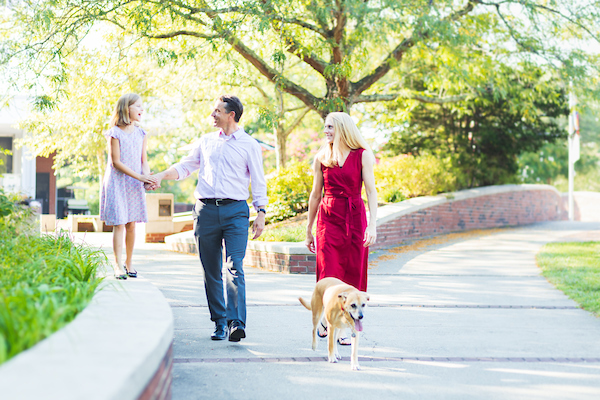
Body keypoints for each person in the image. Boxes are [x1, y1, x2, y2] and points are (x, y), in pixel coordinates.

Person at [147, 95, 267, 342]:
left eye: (217, 111)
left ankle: (236, 323)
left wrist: (261, 212)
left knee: (234, 266)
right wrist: (160, 175)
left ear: (231, 114)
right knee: (211, 270)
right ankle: (220, 322)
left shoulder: (249, 144)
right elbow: (185, 167)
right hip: (206, 211)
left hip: (236, 211)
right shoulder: (206, 141)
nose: (212, 115)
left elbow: (258, 179)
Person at [305, 111, 378, 345]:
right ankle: (329, 318)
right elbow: (315, 195)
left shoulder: (363, 155)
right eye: (325, 127)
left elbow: (371, 192)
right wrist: (308, 228)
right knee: (329, 272)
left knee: (354, 273)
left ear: (343, 129)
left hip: (356, 218)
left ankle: (346, 326)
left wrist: (373, 225)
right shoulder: (322, 157)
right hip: (328, 219)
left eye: (330, 127)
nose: (326, 132)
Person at [100, 93, 157, 280]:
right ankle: (117, 265)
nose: (142, 110)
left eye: (142, 106)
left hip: (134, 183)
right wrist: (140, 176)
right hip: (117, 182)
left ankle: (129, 263)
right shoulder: (114, 133)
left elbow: (143, 160)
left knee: (131, 224)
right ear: (127, 108)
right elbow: (116, 162)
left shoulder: (141, 133)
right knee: (119, 223)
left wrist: (147, 177)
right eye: (138, 106)